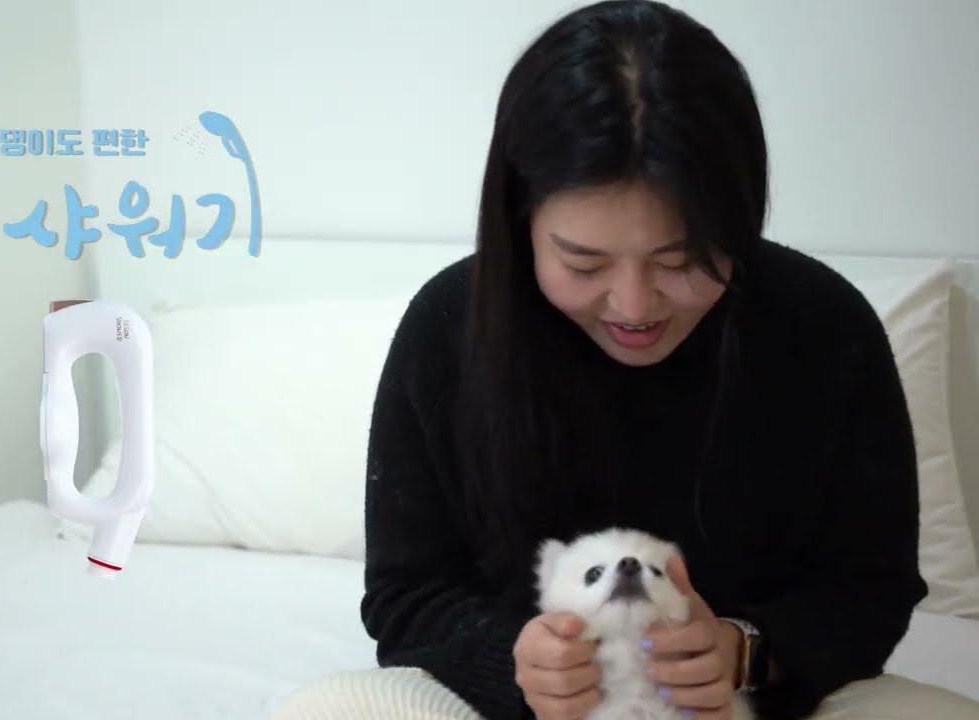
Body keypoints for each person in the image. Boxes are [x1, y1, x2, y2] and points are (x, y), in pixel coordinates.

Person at [268, 1, 979, 720]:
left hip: (747, 703)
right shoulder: (448, 331)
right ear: (520, 222)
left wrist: (746, 650)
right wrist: (513, 660)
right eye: (584, 264)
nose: (634, 306)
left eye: (682, 260)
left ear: (738, 220)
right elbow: (405, 595)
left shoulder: (823, 327)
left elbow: (871, 590)